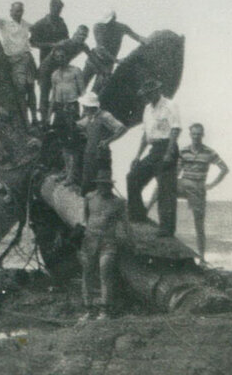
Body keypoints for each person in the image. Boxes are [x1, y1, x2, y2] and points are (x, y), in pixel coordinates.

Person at [148, 123, 229, 263]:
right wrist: (170, 180)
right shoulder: (184, 151)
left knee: (199, 224)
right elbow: (178, 170)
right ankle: (145, 210)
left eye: (199, 134)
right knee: (162, 185)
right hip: (184, 183)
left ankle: (202, 258)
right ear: (190, 135)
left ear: (202, 135)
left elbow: (224, 168)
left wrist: (212, 185)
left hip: (198, 188)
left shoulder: (209, 152)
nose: (196, 136)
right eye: (194, 134)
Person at [126, 79, 181, 237]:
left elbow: (175, 129)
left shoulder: (170, 105)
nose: (148, 96)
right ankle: (137, 215)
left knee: (166, 190)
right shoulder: (147, 109)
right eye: (146, 94)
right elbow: (145, 134)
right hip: (154, 149)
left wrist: (170, 153)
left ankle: (167, 228)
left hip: (167, 147)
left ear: (157, 91)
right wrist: (137, 156)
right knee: (133, 177)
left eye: (150, 93)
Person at [79, 172, 132, 321]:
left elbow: (126, 225)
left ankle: (105, 311)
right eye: (101, 184)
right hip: (89, 241)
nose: (103, 188)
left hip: (108, 243)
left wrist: (131, 241)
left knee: (105, 273)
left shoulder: (119, 202)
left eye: (106, 185)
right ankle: (88, 309)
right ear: (97, 184)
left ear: (111, 186)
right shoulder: (89, 198)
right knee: (87, 274)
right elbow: (86, 218)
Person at [0, 1, 37, 125]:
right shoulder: (4, 23)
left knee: (31, 89)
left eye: (21, 10)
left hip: (27, 58)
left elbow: (37, 29)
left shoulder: (26, 24)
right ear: (11, 11)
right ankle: (26, 121)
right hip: (15, 61)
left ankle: (35, 118)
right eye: (16, 10)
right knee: (20, 91)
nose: (19, 13)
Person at [36, 25, 93, 126]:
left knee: (57, 96)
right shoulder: (64, 43)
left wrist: (103, 69)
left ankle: (56, 120)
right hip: (46, 70)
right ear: (75, 34)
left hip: (58, 70)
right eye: (80, 35)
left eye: (84, 36)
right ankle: (44, 122)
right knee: (45, 95)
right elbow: (56, 57)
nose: (82, 37)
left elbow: (92, 57)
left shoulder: (83, 46)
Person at [76, 91, 127, 195]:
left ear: (90, 106)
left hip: (101, 154)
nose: (84, 108)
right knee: (86, 182)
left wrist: (107, 141)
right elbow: (80, 125)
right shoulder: (90, 116)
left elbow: (121, 128)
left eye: (85, 106)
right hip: (89, 153)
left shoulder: (105, 116)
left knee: (101, 183)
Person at [82, 11, 147, 90]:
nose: (107, 24)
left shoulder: (122, 27)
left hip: (107, 65)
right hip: (94, 61)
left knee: (96, 92)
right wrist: (116, 60)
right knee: (79, 86)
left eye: (110, 21)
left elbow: (137, 37)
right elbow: (101, 48)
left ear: (114, 18)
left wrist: (147, 40)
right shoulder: (98, 27)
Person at [49, 50, 85, 182]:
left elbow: (83, 92)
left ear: (67, 57)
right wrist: (49, 115)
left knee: (72, 142)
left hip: (71, 108)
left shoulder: (75, 71)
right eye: (57, 57)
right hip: (59, 109)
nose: (60, 59)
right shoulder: (54, 75)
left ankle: (72, 174)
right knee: (63, 142)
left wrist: (83, 113)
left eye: (62, 56)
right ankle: (67, 170)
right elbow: (53, 96)